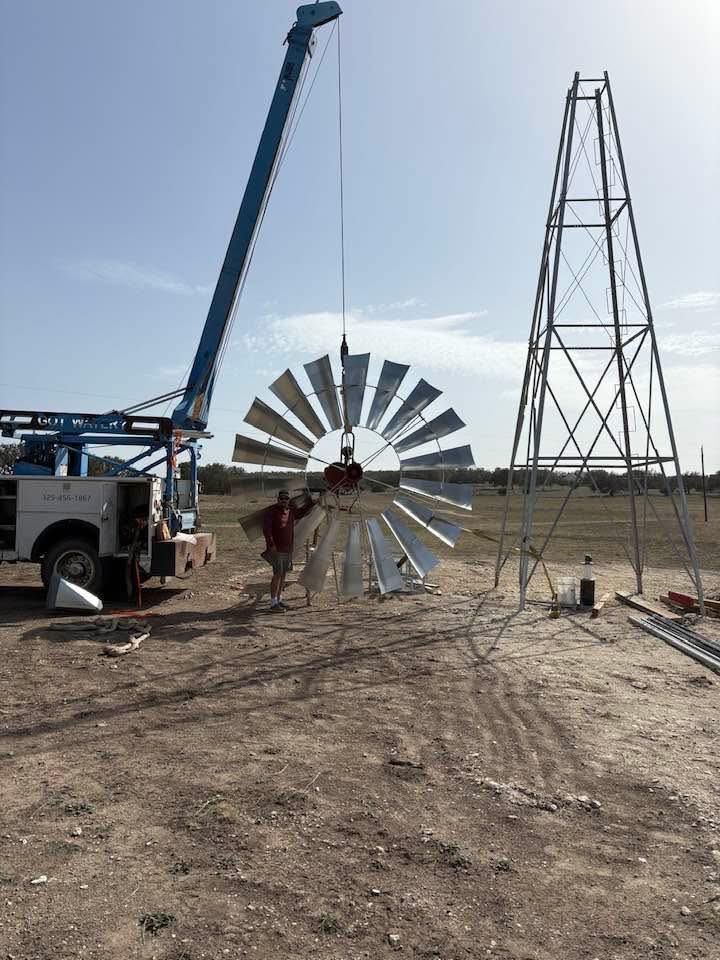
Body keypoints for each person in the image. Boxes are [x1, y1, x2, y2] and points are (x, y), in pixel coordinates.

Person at [262, 489, 312, 612]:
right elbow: (266, 530)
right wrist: (271, 545)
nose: (284, 501)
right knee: (277, 574)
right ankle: (273, 603)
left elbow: (303, 512)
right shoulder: (271, 512)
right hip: (277, 549)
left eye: (286, 499)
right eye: (282, 499)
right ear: (278, 499)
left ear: (288, 500)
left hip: (287, 549)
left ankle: (279, 599)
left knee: (283, 574)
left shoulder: (291, 511)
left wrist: (312, 502)